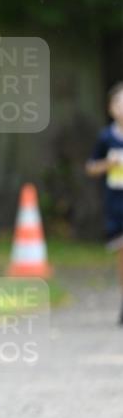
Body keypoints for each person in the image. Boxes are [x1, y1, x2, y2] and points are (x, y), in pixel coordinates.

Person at [86, 81, 123, 325]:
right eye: (119, 103)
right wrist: (108, 164)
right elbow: (90, 167)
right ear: (110, 108)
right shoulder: (106, 137)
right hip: (116, 205)